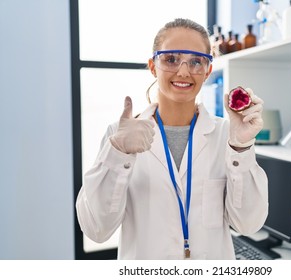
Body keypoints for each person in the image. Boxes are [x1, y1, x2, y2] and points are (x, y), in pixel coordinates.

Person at [76, 18, 268, 260]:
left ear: (208, 70)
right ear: (153, 66)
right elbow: (96, 229)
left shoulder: (226, 136)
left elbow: (248, 224)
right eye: (171, 59)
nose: (184, 71)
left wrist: (241, 147)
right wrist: (118, 154)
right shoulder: (120, 136)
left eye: (196, 61)